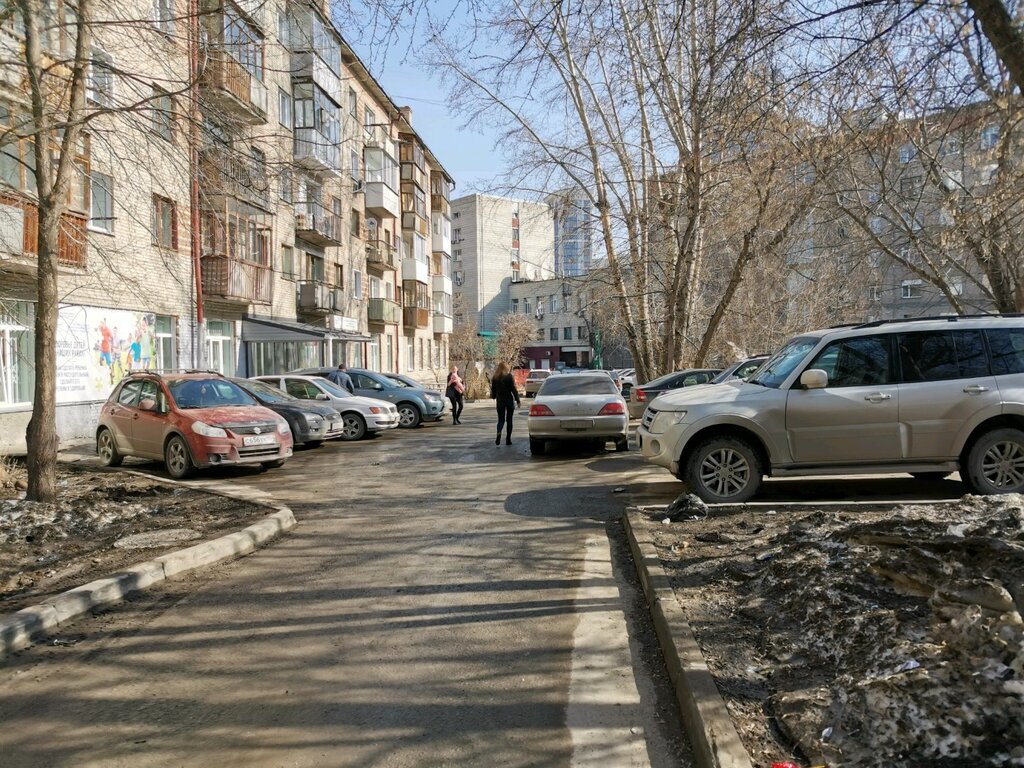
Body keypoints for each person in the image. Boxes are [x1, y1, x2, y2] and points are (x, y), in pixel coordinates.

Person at [490, 361, 520, 446]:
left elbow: (493, 390)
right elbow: (513, 389)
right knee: (509, 420)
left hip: (500, 400)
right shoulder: (509, 376)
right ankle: (508, 439)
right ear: (506, 368)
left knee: (501, 419)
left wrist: (493, 396)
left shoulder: (495, 377)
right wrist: (518, 400)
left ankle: (499, 432)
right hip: (509, 400)